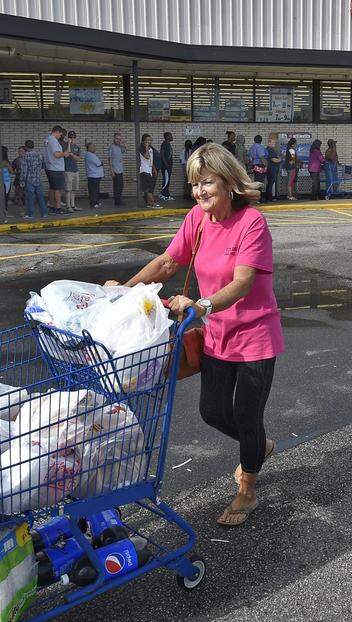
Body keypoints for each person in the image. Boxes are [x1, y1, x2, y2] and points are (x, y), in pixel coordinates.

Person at [106, 142, 282, 527]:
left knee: (247, 415)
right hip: (218, 335)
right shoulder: (197, 220)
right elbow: (168, 262)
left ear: (228, 181)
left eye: (207, 182)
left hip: (255, 335)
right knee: (212, 411)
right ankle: (259, 448)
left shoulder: (251, 223)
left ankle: (247, 490)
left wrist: (202, 305)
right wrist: (122, 292)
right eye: (195, 184)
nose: (200, 191)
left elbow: (243, 282)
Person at [45, 125, 69, 214]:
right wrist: (64, 154)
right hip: (56, 168)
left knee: (52, 188)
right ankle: (58, 207)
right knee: (57, 189)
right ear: (57, 132)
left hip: (50, 167)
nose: (60, 136)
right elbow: (56, 154)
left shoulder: (47, 139)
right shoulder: (53, 140)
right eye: (60, 134)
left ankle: (51, 205)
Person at [20, 140, 47, 219]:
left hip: (29, 180)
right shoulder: (39, 155)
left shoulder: (25, 156)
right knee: (40, 197)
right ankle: (44, 213)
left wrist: (22, 180)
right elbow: (43, 166)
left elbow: (24, 170)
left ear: (26, 147)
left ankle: (30, 214)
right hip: (38, 178)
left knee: (30, 198)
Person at [138, 133, 159, 208]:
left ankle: (149, 203)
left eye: (150, 140)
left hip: (149, 170)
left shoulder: (151, 149)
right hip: (144, 170)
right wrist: (146, 147)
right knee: (150, 188)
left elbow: (151, 160)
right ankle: (153, 203)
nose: (149, 142)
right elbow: (146, 156)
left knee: (148, 188)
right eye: (147, 140)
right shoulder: (141, 148)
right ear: (143, 141)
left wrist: (154, 169)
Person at [84, 141, 104, 209]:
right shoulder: (90, 155)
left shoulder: (91, 154)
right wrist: (101, 163)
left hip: (96, 175)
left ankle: (97, 202)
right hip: (93, 175)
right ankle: (93, 203)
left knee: (96, 190)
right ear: (89, 148)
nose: (94, 148)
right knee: (93, 190)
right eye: (93, 146)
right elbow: (99, 163)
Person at [64, 130, 81, 211]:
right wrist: (69, 144)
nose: (72, 139)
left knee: (73, 189)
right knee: (68, 190)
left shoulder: (77, 147)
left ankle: (73, 205)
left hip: (75, 170)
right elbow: (67, 154)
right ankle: (68, 206)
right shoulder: (65, 146)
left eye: (74, 137)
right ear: (68, 138)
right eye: (71, 137)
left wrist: (73, 155)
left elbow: (78, 159)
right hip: (68, 170)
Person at [109, 132, 126, 207]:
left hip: (120, 170)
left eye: (119, 139)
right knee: (117, 186)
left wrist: (123, 143)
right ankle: (117, 201)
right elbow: (109, 159)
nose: (118, 140)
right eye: (117, 138)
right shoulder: (111, 147)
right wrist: (111, 170)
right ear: (114, 139)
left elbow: (125, 149)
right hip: (115, 170)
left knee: (121, 185)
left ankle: (119, 199)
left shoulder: (120, 147)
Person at [158, 131, 175, 201]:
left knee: (167, 181)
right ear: (167, 137)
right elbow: (162, 154)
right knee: (166, 181)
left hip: (168, 166)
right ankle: (164, 195)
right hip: (166, 166)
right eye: (171, 135)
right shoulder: (164, 144)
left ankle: (165, 194)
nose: (172, 137)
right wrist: (166, 164)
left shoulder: (168, 144)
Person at [264, 136, 280, 202]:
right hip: (271, 169)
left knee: (270, 183)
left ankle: (269, 196)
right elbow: (274, 160)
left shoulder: (270, 149)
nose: (274, 144)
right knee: (271, 183)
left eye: (274, 143)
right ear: (269, 143)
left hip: (271, 169)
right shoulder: (269, 150)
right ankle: (269, 197)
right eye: (273, 143)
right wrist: (280, 159)